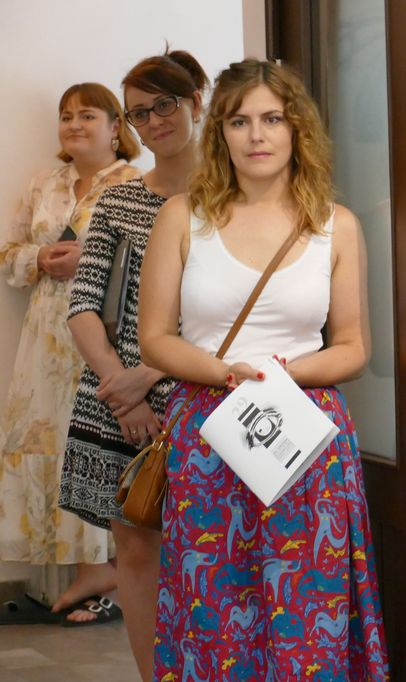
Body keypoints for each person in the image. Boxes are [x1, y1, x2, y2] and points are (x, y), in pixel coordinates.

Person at [138, 59, 388, 680]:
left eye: (272, 119)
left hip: (303, 432)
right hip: (207, 432)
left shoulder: (336, 225)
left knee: (308, 606)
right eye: (239, 121)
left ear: (297, 128)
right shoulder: (182, 217)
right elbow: (154, 339)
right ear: (219, 132)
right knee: (213, 608)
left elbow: (353, 346)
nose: (257, 135)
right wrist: (224, 371)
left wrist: (285, 376)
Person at [57, 50, 208, 672]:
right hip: (116, 403)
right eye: (139, 113)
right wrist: (123, 388)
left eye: (164, 104)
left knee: (211, 553)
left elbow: (233, 318)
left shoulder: (229, 202)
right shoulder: (118, 201)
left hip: (200, 394)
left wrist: (149, 376)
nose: (153, 122)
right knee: (138, 554)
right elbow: (83, 307)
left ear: (198, 99)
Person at [0, 83, 140, 622]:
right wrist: (40, 258)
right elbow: (9, 253)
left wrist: (91, 259)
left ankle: (109, 575)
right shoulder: (44, 183)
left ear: (114, 126)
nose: (74, 125)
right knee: (47, 443)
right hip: (44, 334)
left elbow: (152, 261)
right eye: (66, 116)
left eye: (87, 115)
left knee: (96, 442)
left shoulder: (134, 183)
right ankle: (65, 575)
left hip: (104, 332)